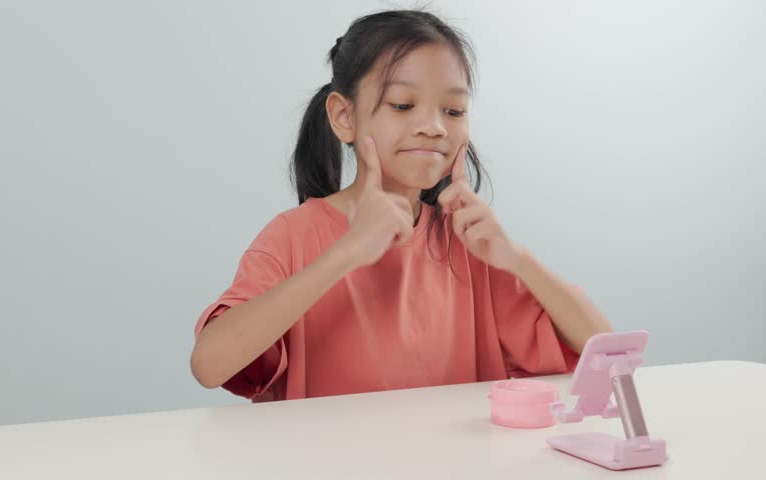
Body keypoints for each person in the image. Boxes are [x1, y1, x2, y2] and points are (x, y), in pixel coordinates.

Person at [190, 9, 613, 402]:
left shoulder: (468, 245)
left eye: (453, 110)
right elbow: (209, 365)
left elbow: (605, 351)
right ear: (343, 117)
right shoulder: (293, 235)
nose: (432, 127)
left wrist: (516, 259)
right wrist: (346, 253)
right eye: (403, 105)